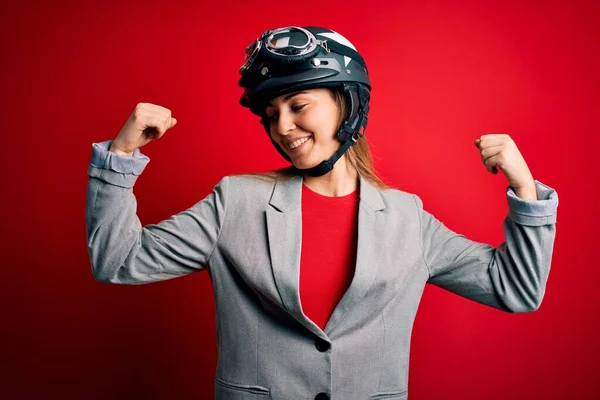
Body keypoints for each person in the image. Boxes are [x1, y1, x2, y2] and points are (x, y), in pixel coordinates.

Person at [86, 26, 559, 400]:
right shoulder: (235, 202)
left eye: (298, 105)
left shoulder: (407, 219)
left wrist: (524, 190)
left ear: (346, 104)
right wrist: (121, 157)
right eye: (270, 114)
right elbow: (118, 259)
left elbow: (515, 289)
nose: (283, 126)